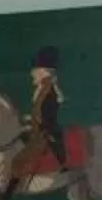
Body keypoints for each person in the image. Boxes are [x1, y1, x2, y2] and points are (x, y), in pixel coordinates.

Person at [16, 45, 66, 179]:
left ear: (43, 71)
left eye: (35, 70)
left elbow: (42, 111)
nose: (32, 73)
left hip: (46, 127)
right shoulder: (42, 87)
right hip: (41, 124)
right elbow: (37, 110)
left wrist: (31, 121)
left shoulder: (46, 87)